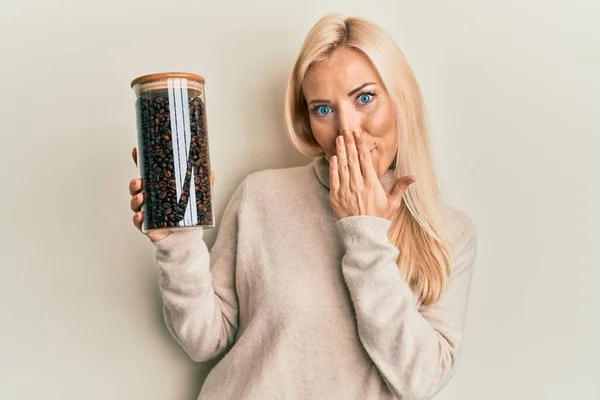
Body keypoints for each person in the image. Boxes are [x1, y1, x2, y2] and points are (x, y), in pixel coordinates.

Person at [128, 13, 477, 400]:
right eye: (323, 109)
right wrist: (179, 242)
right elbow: (204, 341)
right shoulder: (261, 196)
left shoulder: (447, 233)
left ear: (401, 99)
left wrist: (365, 234)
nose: (347, 129)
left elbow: (421, 381)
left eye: (365, 98)